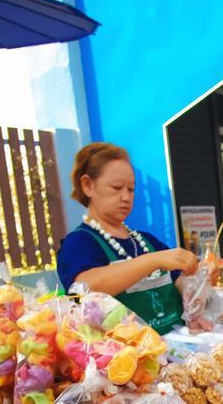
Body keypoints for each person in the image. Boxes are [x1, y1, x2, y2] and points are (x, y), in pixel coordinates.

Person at [55, 142, 197, 334]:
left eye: (130, 189)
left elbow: (179, 282)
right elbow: (84, 290)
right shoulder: (79, 243)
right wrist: (152, 261)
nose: (126, 197)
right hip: (129, 360)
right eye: (116, 187)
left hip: (180, 353)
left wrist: (197, 279)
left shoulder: (146, 241)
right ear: (87, 185)